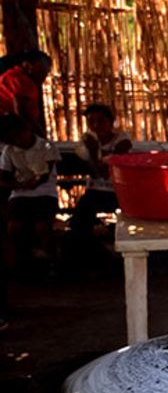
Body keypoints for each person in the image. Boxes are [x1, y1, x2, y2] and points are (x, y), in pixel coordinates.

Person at [0, 114, 61, 271]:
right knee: (13, 227)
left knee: (42, 226)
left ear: (26, 130)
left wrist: (28, 183)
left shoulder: (46, 146)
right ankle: (23, 260)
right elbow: (4, 176)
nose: (18, 142)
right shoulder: (9, 150)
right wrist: (18, 184)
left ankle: (52, 260)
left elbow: (44, 175)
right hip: (20, 193)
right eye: (12, 139)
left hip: (45, 193)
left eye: (18, 137)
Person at [68, 103, 132, 240]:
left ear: (111, 122)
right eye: (91, 122)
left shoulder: (122, 140)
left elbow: (106, 173)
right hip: (95, 191)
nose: (96, 125)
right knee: (78, 223)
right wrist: (93, 151)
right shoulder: (86, 141)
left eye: (101, 121)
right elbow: (95, 172)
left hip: (117, 192)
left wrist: (93, 150)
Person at [0, 50, 52, 138]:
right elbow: (22, 113)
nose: (44, 75)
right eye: (42, 70)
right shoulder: (22, 81)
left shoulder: (11, 76)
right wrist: (42, 138)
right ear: (27, 65)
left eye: (46, 72)